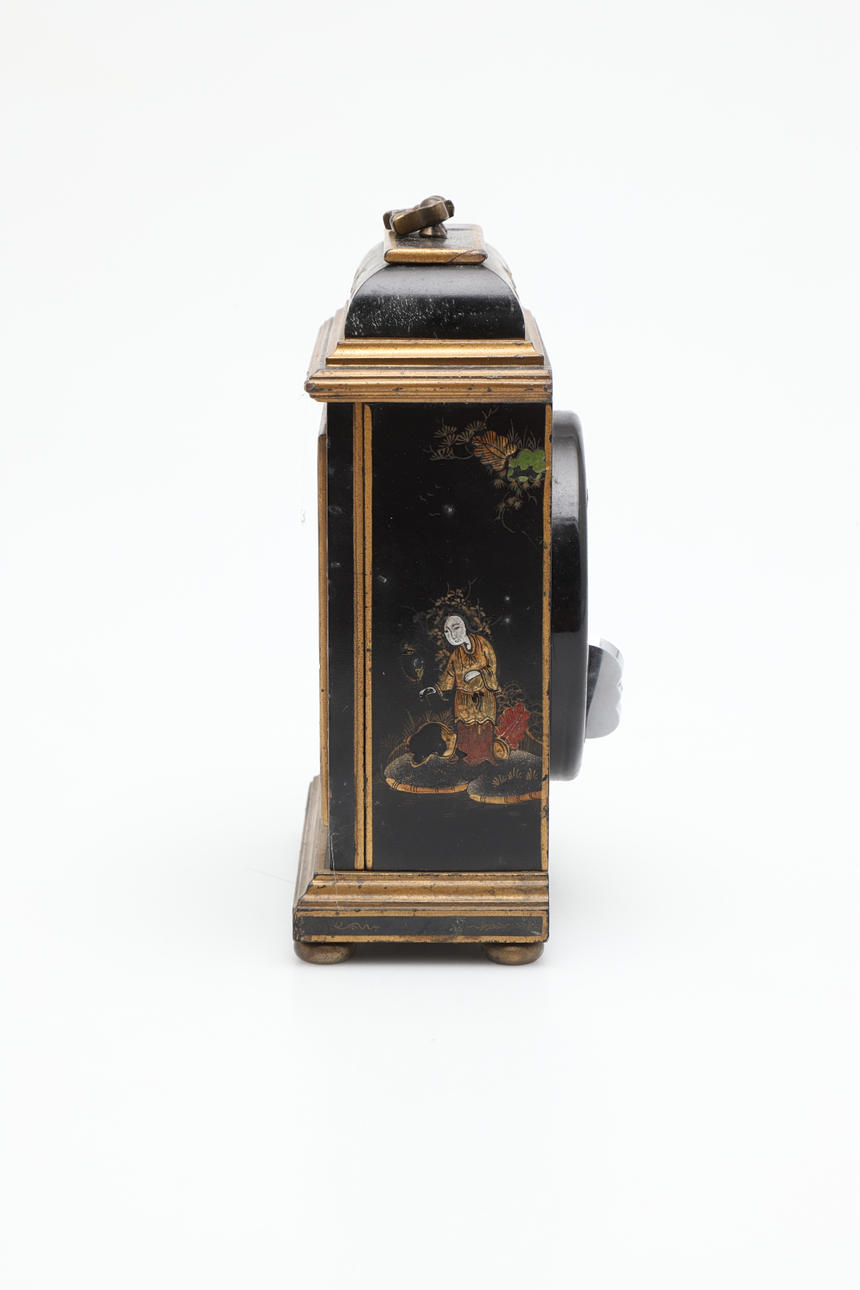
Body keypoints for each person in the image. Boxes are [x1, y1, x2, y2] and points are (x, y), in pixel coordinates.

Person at [419, 614, 499, 764]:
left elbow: (492, 667)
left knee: (483, 728)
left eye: (456, 628)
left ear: (465, 626)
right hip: (463, 699)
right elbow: (448, 676)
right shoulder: (456, 654)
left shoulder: (482, 643)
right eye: (447, 631)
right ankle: (465, 758)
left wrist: (479, 673)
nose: (453, 635)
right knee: (464, 728)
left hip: (483, 697)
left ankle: (484, 759)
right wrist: (434, 689)